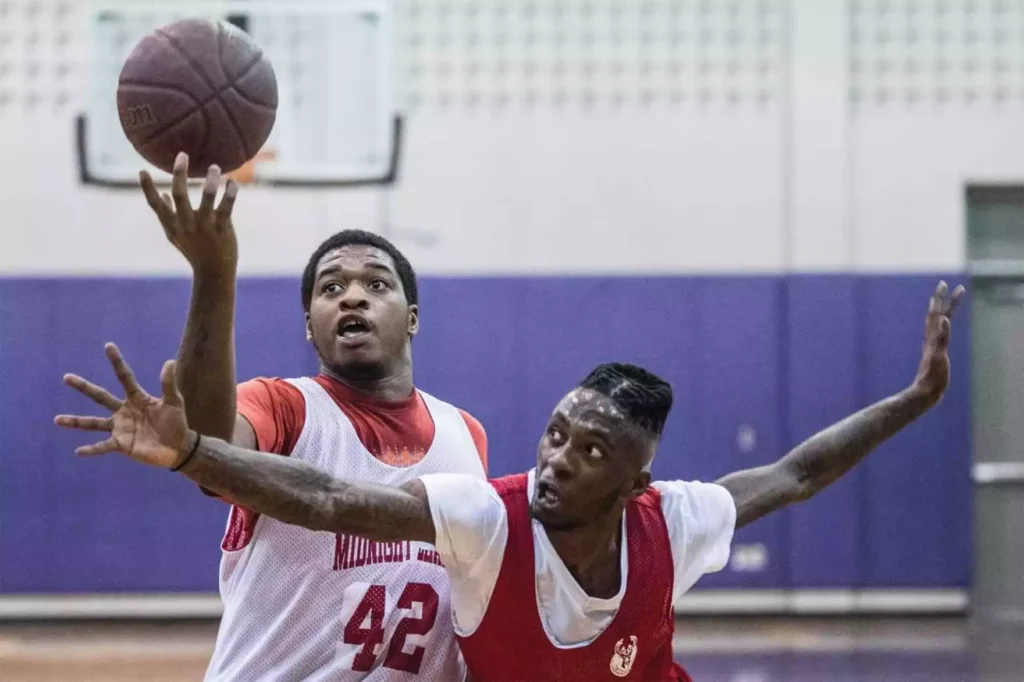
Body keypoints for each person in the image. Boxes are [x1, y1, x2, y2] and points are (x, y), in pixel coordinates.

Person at [55, 282, 964, 681]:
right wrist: (190, 454)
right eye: (556, 432)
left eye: (591, 450)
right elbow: (331, 501)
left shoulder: (674, 521)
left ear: (636, 476)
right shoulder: (489, 519)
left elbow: (798, 472)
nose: (560, 457)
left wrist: (917, 397)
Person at [136, 153, 488, 681]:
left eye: (376, 284)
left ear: (411, 318)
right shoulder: (285, 407)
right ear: (309, 327)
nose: (352, 297)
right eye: (330, 288)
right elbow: (206, 446)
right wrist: (214, 273)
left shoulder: (466, 434)